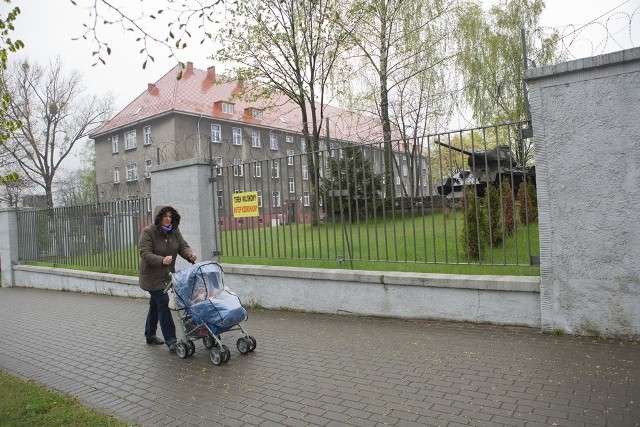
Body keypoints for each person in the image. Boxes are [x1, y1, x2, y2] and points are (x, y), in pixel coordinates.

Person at [139, 205, 197, 351]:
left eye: (170, 216)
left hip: (167, 275)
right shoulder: (148, 232)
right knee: (164, 303)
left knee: (155, 305)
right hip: (152, 277)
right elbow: (144, 253)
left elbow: (182, 246)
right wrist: (161, 260)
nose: (168, 219)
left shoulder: (174, 231)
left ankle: (150, 335)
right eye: (165, 216)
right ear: (159, 217)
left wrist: (189, 254)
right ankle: (171, 340)